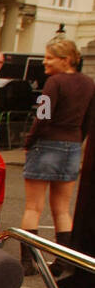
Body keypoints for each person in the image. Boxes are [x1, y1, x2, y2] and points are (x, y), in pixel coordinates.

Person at [21, 37, 95, 252]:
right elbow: (89, 120)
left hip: (46, 145)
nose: (45, 62)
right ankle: (64, 262)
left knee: (33, 207)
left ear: (66, 60)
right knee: (62, 210)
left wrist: (29, 141)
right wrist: (76, 142)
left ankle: (29, 261)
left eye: (49, 58)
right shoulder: (89, 83)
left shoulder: (54, 83)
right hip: (71, 146)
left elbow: (42, 116)